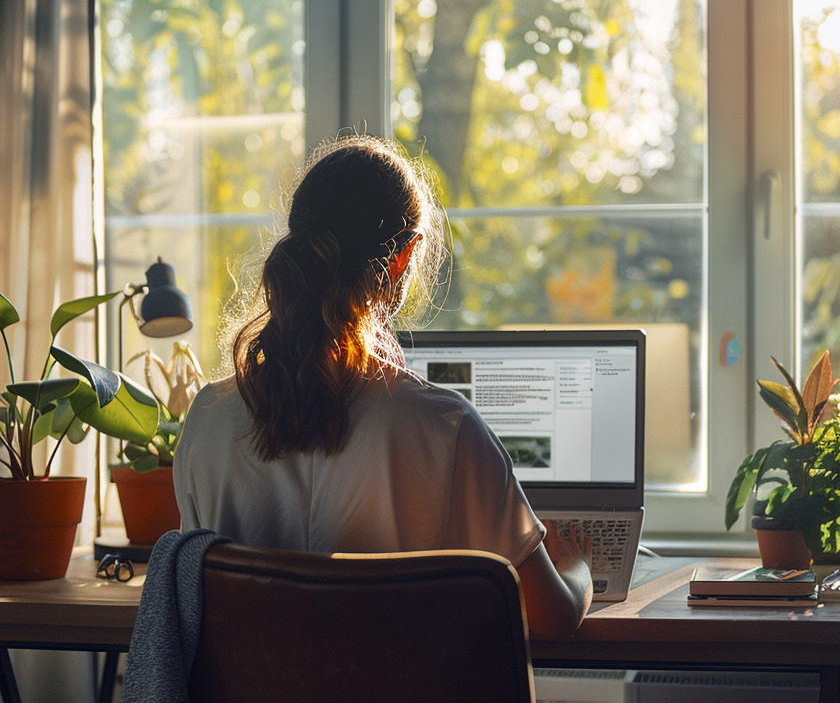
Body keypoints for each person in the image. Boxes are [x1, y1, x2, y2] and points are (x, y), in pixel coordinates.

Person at [173, 133, 593, 639]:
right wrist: (577, 568)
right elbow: (550, 620)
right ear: (403, 258)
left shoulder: (207, 424)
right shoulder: (445, 429)